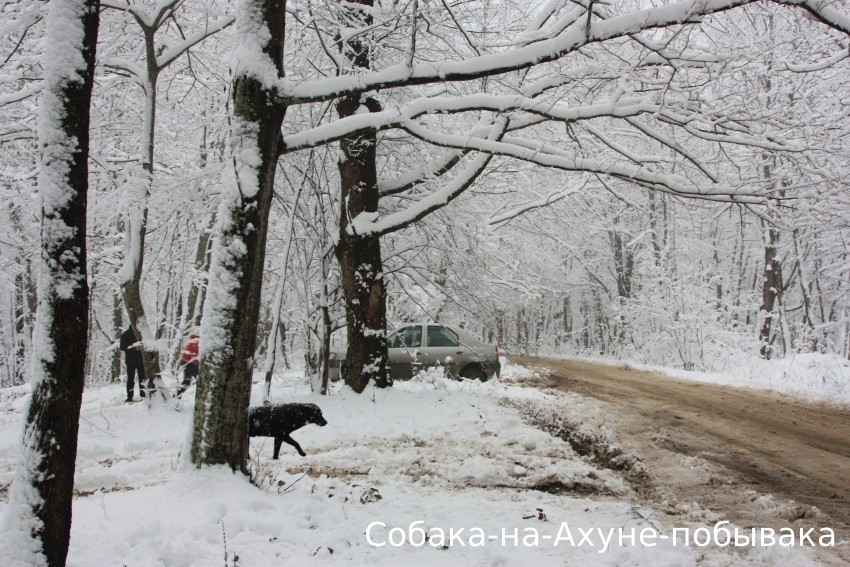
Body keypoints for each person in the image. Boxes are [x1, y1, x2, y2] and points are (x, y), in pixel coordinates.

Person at [120, 325, 146, 402]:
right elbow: (123, 347)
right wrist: (134, 348)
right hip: (130, 361)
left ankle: (143, 396)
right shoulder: (126, 334)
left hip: (141, 360)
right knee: (130, 379)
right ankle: (129, 396)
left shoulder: (142, 333)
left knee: (142, 379)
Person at [177, 330, 199, 398]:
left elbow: (183, 354)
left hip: (186, 364)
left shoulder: (188, 343)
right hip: (193, 365)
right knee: (200, 380)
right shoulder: (197, 342)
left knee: (186, 381)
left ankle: (176, 396)